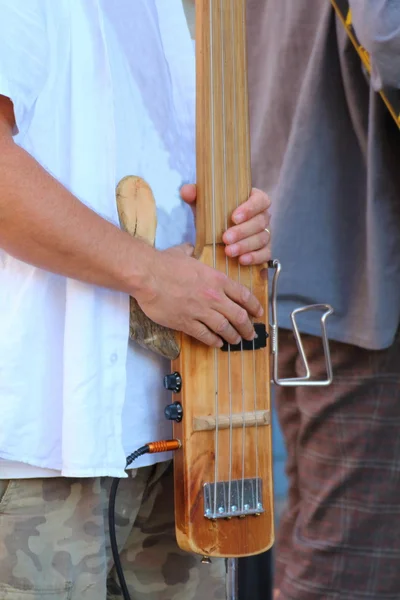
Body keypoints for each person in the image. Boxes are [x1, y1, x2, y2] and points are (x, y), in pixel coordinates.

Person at [0, 1, 272, 598]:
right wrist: (151, 275)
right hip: (43, 447)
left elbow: (162, 182)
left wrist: (231, 228)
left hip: (184, 435)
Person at [247, 0, 400, 598]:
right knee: (350, 564)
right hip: (364, 269)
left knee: (324, 533)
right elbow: (388, 35)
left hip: (294, 250)